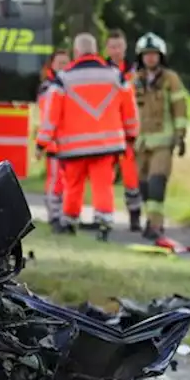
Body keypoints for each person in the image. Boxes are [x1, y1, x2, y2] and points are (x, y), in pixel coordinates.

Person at [35, 33, 139, 241]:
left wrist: (41, 143)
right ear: (96, 49)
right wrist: (131, 135)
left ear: (76, 52)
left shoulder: (63, 80)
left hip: (74, 147)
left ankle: (70, 222)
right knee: (103, 185)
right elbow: (130, 111)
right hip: (106, 145)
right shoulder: (115, 76)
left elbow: (51, 117)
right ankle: (104, 225)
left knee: (73, 185)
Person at [131, 32, 188, 241]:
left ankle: (156, 225)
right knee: (143, 186)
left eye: (154, 54)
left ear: (161, 56)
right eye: (146, 55)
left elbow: (180, 108)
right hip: (141, 143)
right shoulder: (135, 81)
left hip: (163, 142)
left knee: (157, 182)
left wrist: (180, 135)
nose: (150, 58)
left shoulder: (170, 79)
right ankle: (151, 219)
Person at [105, 29, 142, 231]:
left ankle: (135, 215)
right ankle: (105, 217)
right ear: (107, 48)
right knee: (104, 176)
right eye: (112, 46)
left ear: (125, 47)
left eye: (119, 46)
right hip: (107, 130)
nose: (116, 50)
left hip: (127, 131)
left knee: (131, 176)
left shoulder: (135, 71)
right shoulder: (101, 70)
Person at [37, 48, 69, 226]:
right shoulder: (48, 87)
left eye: (66, 62)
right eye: (60, 63)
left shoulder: (66, 84)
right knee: (55, 179)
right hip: (54, 141)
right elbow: (47, 117)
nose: (64, 66)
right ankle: (54, 213)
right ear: (53, 65)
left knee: (67, 180)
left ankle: (63, 212)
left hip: (69, 142)